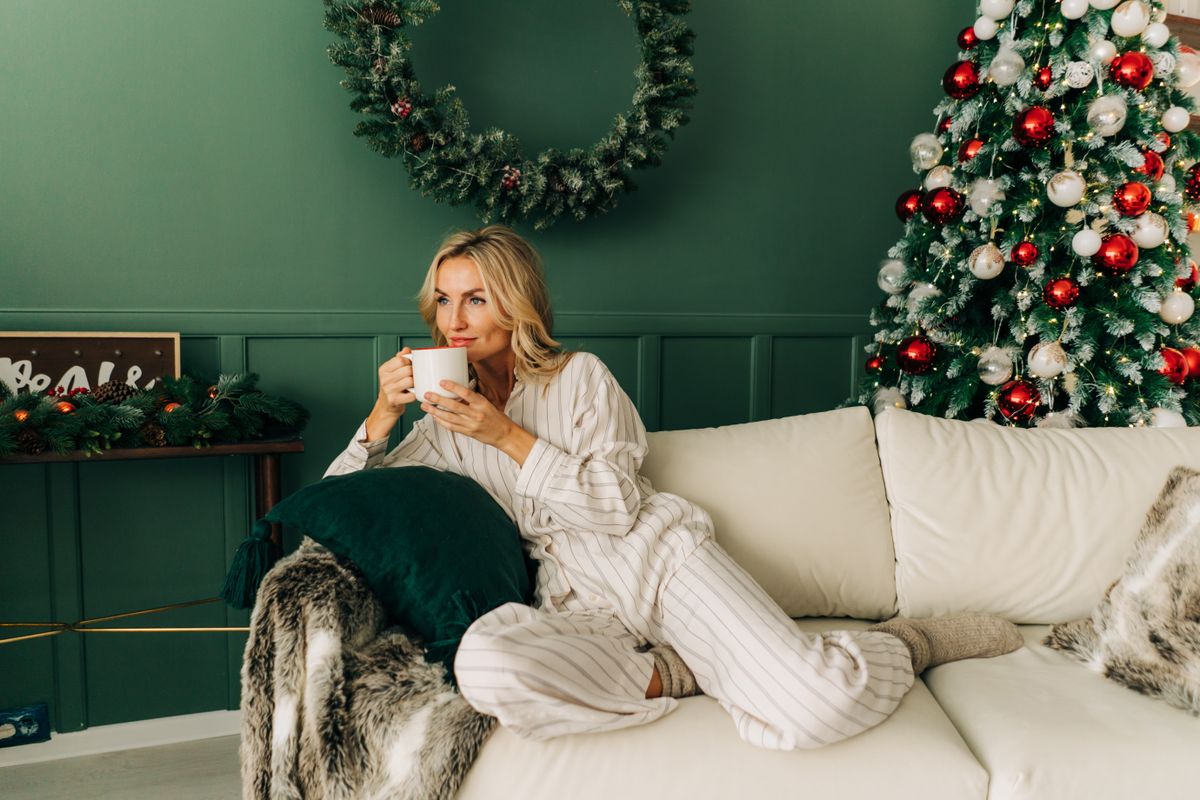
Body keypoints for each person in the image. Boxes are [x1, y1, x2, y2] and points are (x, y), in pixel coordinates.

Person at [324, 225, 1022, 750]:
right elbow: (339, 513)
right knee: (484, 664)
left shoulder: (579, 378)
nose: (454, 320)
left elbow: (614, 505)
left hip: (656, 563)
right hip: (574, 608)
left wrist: (505, 435)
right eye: (444, 301)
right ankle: (678, 672)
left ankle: (912, 642)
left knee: (815, 704)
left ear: (514, 305)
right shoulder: (440, 422)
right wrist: (381, 418)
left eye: (475, 299)